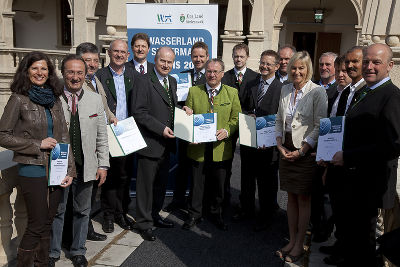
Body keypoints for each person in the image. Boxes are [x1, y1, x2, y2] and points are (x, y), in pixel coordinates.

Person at [0, 51, 75, 267]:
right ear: (26, 71)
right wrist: (37, 144)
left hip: (57, 168)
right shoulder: (18, 99)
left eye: (44, 68)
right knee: (36, 223)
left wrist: (70, 170)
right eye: (35, 68)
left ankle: (42, 264)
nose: (40, 72)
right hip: (32, 169)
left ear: (50, 72)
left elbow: (63, 136)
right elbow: (3, 135)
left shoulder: (54, 98)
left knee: (48, 222)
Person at [331, 43, 400, 267]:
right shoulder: (368, 91)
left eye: (376, 62)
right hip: (354, 181)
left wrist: (348, 156)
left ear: (389, 66)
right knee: (354, 240)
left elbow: (393, 144)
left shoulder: (391, 96)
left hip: (370, 185)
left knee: (364, 244)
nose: (369, 67)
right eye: (367, 61)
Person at [49, 54, 109, 267]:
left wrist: (103, 164)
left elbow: (102, 134)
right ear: (63, 73)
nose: (75, 77)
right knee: (57, 211)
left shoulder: (94, 99)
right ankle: (53, 252)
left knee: (83, 212)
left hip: (87, 166)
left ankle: (78, 251)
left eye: (79, 73)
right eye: (71, 72)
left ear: (86, 75)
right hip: (59, 167)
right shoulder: (52, 97)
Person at [274, 51, 327, 263]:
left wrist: (303, 150)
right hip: (285, 149)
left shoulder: (317, 92)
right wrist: (278, 143)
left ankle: (299, 245)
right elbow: (279, 119)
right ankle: (292, 239)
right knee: (291, 197)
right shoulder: (285, 88)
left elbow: (319, 125)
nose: (296, 72)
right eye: (293, 68)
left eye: (301, 68)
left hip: (304, 152)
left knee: (303, 198)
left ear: (308, 69)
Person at [182, 58, 241, 231]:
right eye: (209, 71)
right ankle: (194, 214)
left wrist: (228, 131)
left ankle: (217, 213)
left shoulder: (232, 93)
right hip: (198, 146)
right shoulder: (194, 91)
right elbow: (187, 117)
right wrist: (187, 114)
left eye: (216, 71)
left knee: (219, 184)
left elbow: (236, 118)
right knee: (197, 183)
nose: (212, 74)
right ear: (205, 72)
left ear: (222, 74)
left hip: (220, 148)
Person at [131, 46, 178, 241]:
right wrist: (161, 129)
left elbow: (171, 108)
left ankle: (155, 215)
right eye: (162, 61)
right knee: (145, 187)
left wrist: (186, 109)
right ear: (155, 60)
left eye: (169, 62)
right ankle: (143, 223)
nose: (166, 65)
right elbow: (139, 112)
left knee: (160, 185)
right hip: (150, 143)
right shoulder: (143, 81)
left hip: (166, 146)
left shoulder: (173, 81)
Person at [234, 50, 283, 231]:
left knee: (266, 183)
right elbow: (242, 106)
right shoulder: (251, 84)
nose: (264, 66)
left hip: (268, 145)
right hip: (249, 141)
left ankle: (266, 216)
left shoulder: (281, 88)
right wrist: (249, 114)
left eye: (269, 64)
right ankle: (246, 210)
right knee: (247, 179)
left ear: (277, 67)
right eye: (262, 62)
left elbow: (282, 117)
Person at [76, 42, 117, 242]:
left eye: (94, 60)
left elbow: (103, 105)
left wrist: (111, 116)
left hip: (97, 146)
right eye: (87, 60)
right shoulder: (77, 83)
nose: (92, 64)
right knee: (82, 195)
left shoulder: (95, 80)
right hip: (84, 148)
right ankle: (81, 232)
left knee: (91, 193)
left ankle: (86, 228)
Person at [96, 39, 137, 233]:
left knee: (124, 176)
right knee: (109, 177)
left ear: (128, 55)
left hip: (128, 132)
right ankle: (108, 215)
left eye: (123, 52)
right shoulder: (100, 76)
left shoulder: (133, 75)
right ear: (109, 53)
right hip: (108, 132)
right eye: (116, 51)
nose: (120, 55)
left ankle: (121, 213)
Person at [163, 41, 209, 213]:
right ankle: (178, 200)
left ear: (207, 57)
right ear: (190, 57)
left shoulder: (212, 76)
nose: (198, 59)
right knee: (182, 166)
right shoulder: (182, 76)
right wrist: (181, 108)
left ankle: (196, 204)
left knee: (199, 170)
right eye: (195, 56)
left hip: (203, 129)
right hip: (184, 128)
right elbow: (174, 102)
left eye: (201, 56)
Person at [318, 55, 352, 266]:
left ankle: (343, 251)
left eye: (344, 71)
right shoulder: (338, 94)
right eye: (338, 70)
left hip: (345, 159)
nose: (340, 74)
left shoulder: (352, 95)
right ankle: (338, 244)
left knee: (343, 209)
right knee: (335, 204)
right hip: (331, 156)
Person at [222, 43, 258, 206]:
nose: (238, 59)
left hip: (248, 124)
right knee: (225, 163)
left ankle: (246, 203)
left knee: (248, 166)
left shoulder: (255, 77)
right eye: (236, 56)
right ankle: (224, 198)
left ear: (247, 57)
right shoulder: (225, 76)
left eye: (242, 56)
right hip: (229, 123)